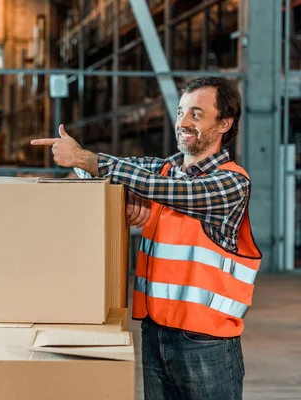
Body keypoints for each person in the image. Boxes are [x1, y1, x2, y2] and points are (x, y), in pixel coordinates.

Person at [32, 76, 261, 400]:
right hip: (154, 333)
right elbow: (114, 174)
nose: (183, 121)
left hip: (207, 343)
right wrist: (119, 186)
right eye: (181, 111)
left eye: (196, 114)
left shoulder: (231, 183)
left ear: (224, 123)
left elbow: (174, 192)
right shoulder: (163, 170)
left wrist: (88, 160)